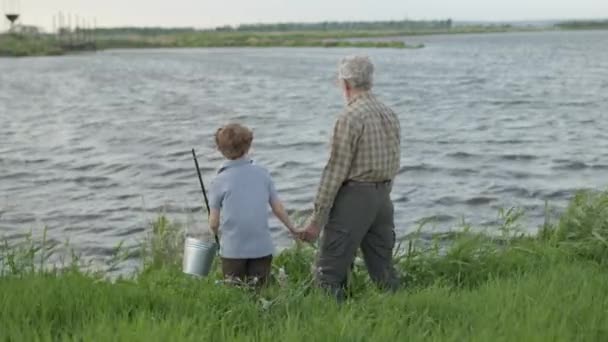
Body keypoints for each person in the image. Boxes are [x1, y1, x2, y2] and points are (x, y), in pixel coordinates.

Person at [299, 56, 402, 300]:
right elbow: (394, 161)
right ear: (370, 80)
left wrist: (317, 219)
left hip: (356, 197)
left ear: (345, 84)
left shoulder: (349, 117)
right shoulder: (388, 112)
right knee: (383, 269)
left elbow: (335, 170)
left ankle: (330, 324)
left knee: (329, 271)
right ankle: (402, 315)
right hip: (384, 197)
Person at [208, 123, 296, 287]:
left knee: (235, 292)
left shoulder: (218, 181)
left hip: (233, 250)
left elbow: (214, 222)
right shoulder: (263, 174)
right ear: (248, 146)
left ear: (220, 150)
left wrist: (213, 231)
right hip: (262, 247)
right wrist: (293, 229)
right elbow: (278, 208)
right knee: (260, 291)